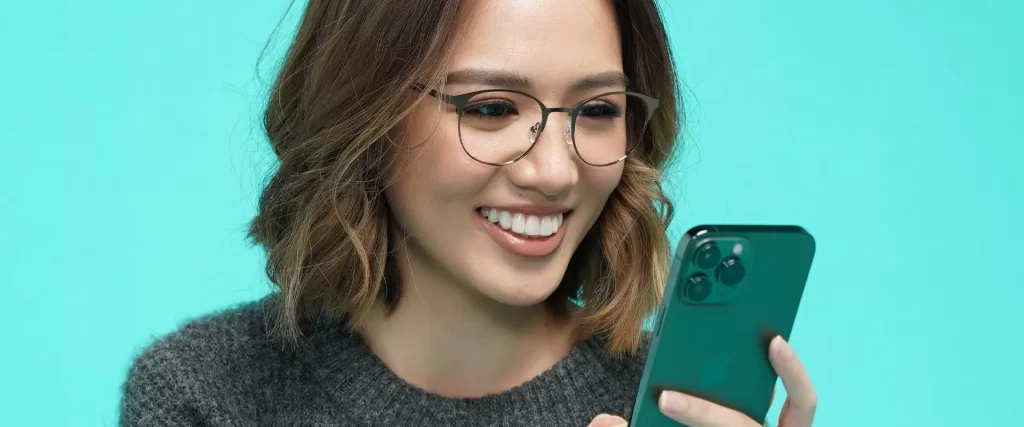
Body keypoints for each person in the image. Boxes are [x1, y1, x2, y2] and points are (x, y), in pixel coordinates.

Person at [118, 0, 818, 426]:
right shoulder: (204, 395)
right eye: (490, 108)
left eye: (598, 111)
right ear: (367, 113)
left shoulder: (667, 409)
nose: (553, 171)